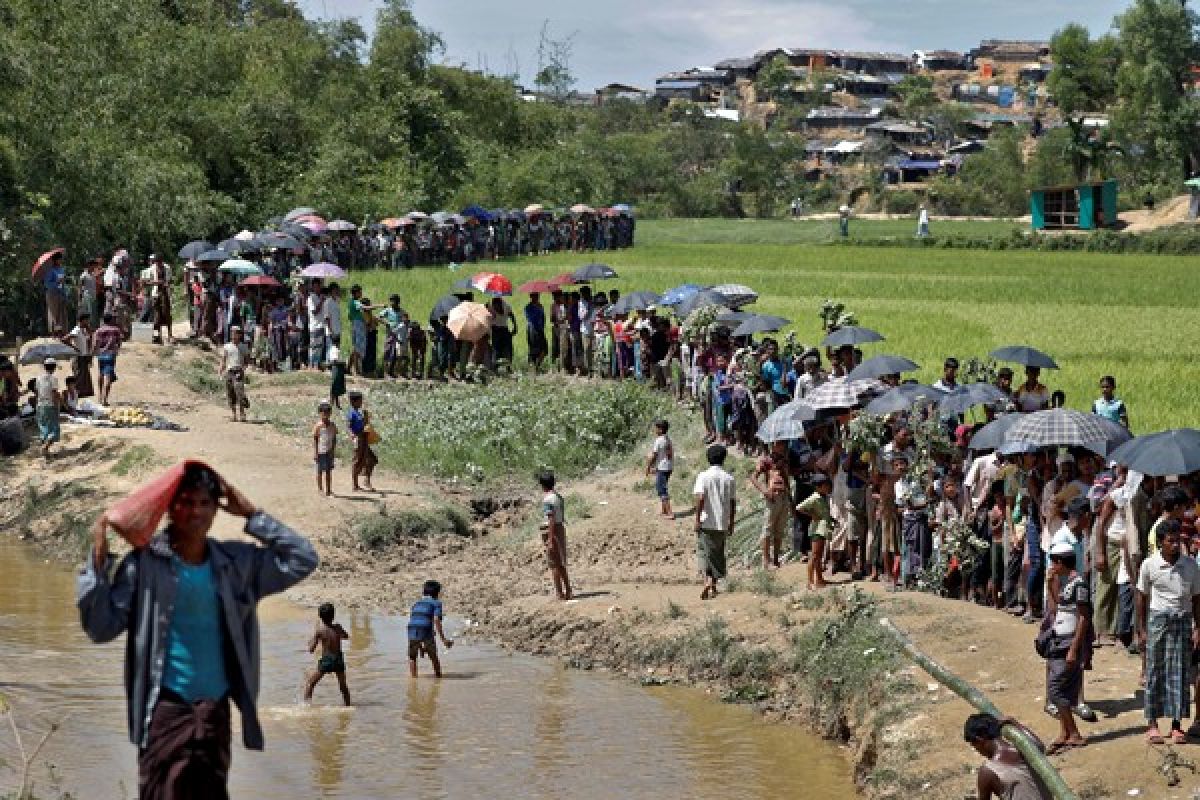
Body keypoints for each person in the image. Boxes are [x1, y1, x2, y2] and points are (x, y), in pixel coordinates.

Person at [78, 463, 319, 800]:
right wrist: (97, 565)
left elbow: (302, 558)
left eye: (205, 503)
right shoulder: (143, 566)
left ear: (216, 509)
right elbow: (100, 628)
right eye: (186, 502)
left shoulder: (235, 565)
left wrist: (251, 513)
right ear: (170, 509)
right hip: (164, 713)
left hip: (213, 714)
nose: (196, 512)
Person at [1136, 520, 1200, 744]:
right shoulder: (1149, 565)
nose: (1175, 545)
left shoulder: (1190, 566)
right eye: (1170, 541)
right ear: (1161, 542)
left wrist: (1197, 627)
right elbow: (1141, 598)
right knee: (1155, 671)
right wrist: (1141, 629)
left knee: (1180, 673)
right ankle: (1152, 724)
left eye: (1178, 540)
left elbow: (1197, 599)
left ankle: (1176, 725)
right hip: (1158, 622)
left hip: (1182, 621)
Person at [1041, 538, 1091, 754]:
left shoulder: (1079, 584)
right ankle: (1065, 732)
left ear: (1062, 562)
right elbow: (1054, 610)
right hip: (1059, 640)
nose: (1053, 567)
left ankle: (1074, 733)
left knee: (1056, 688)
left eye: (1054, 563)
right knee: (1059, 685)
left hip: (1069, 642)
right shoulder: (1066, 584)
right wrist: (1050, 584)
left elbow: (1083, 618)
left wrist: (1073, 649)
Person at [962, 714, 1051, 800]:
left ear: (979, 740)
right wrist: (1015, 724)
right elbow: (1039, 746)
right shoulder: (1025, 750)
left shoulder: (988, 771)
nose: (976, 749)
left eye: (974, 745)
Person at [693, 444, 736, 600]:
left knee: (703, 552)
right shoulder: (729, 478)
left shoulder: (703, 476)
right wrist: (732, 522)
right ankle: (714, 585)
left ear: (708, 458)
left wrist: (697, 519)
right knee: (717, 553)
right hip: (722, 522)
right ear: (724, 459)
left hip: (706, 522)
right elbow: (732, 502)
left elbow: (700, 498)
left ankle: (707, 581)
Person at [752, 440, 792, 569]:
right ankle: (766, 560)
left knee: (779, 529)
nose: (782, 446)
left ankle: (775, 559)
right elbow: (753, 477)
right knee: (768, 529)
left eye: (783, 444)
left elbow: (786, 479)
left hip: (783, 496)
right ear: (773, 444)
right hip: (772, 496)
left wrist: (790, 498)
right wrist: (764, 491)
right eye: (780, 444)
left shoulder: (784, 460)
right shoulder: (766, 460)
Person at [303, 602, 350, 705]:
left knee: (310, 683)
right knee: (343, 686)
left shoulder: (320, 630)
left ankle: (306, 707)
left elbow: (311, 650)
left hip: (327, 661)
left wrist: (311, 640)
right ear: (333, 615)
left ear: (320, 617)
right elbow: (346, 636)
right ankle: (348, 706)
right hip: (338, 660)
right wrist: (339, 631)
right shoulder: (337, 627)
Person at [539, 470, 573, 600]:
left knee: (553, 564)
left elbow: (551, 519)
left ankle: (560, 593)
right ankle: (568, 589)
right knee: (560, 562)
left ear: (542, 485)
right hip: (560, 528)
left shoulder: (548, 499)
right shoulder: (558, 497)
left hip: (553, 530)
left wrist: (550, 539)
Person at [408, 580, 453, 678]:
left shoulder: (416, 603)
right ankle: (438, 677)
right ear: (437, 593)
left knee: (412, 657)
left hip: (411, 629)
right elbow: (436, 620)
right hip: (425, 629)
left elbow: (416, 622)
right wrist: (444, 640)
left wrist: (420, 646)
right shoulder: (436, 603)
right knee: (433, 656)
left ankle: (413, 680)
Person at [796, 474, 834, 591]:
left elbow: (823, 513)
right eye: (826, 485)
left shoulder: (822, 497)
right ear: (819, 487)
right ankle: (810, 581)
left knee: (818, 556)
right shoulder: (814, 498)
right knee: (814, 555)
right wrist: (812, 515)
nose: (828, 488)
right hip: (817, 529)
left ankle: (819, 579)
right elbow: (799, 507)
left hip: (822, 529)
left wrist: (831, 519)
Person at [346, 390, 377, 492]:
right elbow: (349, 426)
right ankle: (355, 485)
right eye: (360, 401)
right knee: (357, 461)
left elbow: (365, 425)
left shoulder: (359, 412)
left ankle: (366, 480)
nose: (361, 403)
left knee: (372, 459)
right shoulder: (352, 413)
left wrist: (366, 417)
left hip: (364, 438)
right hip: (358, 439)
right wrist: (353, 436)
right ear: (354, 402)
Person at [217, 326, 249, 423]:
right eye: (232, 332)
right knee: (230, 393)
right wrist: (220, 371)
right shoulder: (227, 346)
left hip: (238, 371)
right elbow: (224, 360)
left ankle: (242, 413)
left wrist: (243, 369)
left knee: (239, 392)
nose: (233, 334)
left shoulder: (243, 346)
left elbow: (247, 360)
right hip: (229, 371)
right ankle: (234, 414)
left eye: (235, 333)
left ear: (239, 335)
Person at [91, 312, 122, 406]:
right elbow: (119, 342)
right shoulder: (116, 330)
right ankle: (104, 399)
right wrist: (116, 350)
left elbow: (95, 343)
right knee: (108, 376)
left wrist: (93, 354)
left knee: (100, 373)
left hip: (101, 354)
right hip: (110, 355)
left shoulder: (98, 330)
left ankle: (100, 396)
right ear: (111, 320)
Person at [645, 419, 674, 518]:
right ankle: (664, 511)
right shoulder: (667, 439)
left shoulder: (659, 440)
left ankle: (670, 513)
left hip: (663, 468)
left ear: (661, 430)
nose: (655, 430)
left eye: (656, 428)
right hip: (668, 467)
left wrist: (648, 467)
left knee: (661, 489)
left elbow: (654, 456)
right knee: (663, 487)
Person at [34, 358, 62, 456]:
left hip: (40, 405)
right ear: (54, 367)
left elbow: (37, 393)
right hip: (50, 405)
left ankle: (45, 452)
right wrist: (56, 407)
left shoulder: (38, 378)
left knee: (43, 428)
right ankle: (45, 447)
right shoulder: (53, 379)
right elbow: (54, 394)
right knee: (54, 428)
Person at [312, 401, 337, 497]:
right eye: (323, 413)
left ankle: (329, 490)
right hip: (320, 451)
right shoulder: (318, 426)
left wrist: (333, 451)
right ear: (320, 413)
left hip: (329, 451)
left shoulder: (332, 425)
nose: (326, 415)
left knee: (328, 471)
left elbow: (334, 438)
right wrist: (315, 452)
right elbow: (315, 439)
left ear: (330, 413)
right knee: (319, 471)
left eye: (327, 413)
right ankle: (320, 489)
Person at [43, 250, 68, 334]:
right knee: (54, 314)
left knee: (62, 314)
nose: (60, 261)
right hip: (52, 294)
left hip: (61, 293)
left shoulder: (61, 269)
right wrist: (57, 282)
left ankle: (62, 332)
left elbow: (62, 283)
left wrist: (65, 293)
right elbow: (47, 284)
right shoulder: (50, 270)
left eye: (61, 259)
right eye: (59, 259)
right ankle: (54, 332)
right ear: (54, 260)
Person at [525, 292, 548, 371]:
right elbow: (531, 319)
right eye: (534, 296)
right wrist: (538, 310)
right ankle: (532, 367)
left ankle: (537, 366)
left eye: (537, 296)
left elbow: (543, 317)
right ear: (531, 297)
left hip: (540, 329)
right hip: (533, 330)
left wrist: (543, 325)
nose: (536, 297)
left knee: (545, 349)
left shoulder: (540, 306)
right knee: (533, 349)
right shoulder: (528, 307)